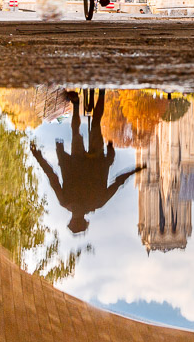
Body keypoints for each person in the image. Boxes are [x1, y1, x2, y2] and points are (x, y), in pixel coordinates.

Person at [30, 89, 145, 234]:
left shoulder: (96, 202)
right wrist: (38, 157)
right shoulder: (66, 201)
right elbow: (52, 176)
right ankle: (79, 103)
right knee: (78, 130)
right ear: (75, 219)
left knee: (94, 124)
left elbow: (118, 182)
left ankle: (98, 94)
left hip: (92, 160)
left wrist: (134, 169)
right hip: (82, 160)